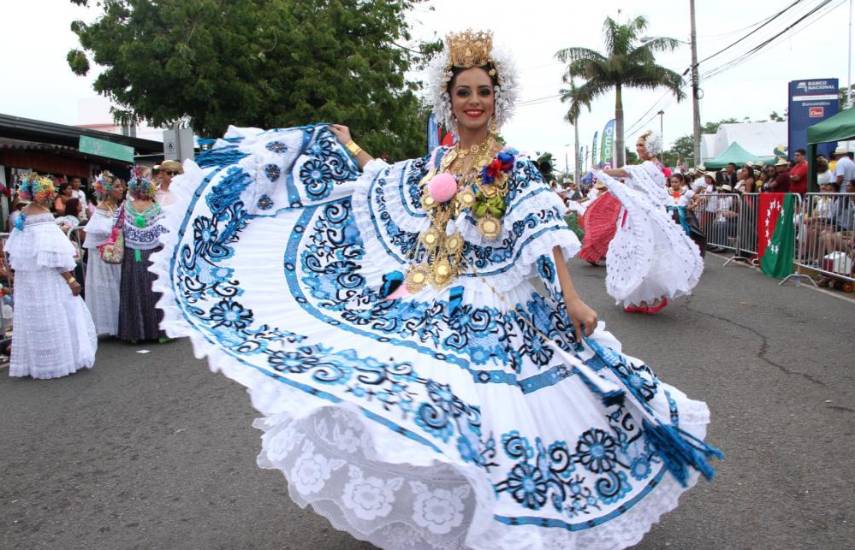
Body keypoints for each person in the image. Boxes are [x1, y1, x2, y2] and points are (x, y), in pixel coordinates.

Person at [148, 30, 720, 549]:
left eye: (483, 92)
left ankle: (511, 510)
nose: (474, 101)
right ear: (450, 100)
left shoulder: (512, 165)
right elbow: (390, 179)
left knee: (503, 408)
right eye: (464, 92)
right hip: (433, 290)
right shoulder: (440, 159)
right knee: (420, 395)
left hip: (495, 299)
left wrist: (571, 296)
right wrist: (350, 149)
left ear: (498, 99)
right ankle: (462, 500)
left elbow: (541, 231)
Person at [598, 130, 704, 313]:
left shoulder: (647, 167)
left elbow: (626, 171)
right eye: (637, 144)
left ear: (650, 147)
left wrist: (602, 171)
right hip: (640, 215)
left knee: (644, 253)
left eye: (641, 145)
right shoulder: (655, 167)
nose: (638, 148)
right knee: (642, 253)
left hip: (641, 217)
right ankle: (639, 299)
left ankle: (653, 297)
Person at [5, 174, 96, 379]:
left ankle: (39, 363)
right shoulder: (44, 217)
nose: (51, 195)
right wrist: (70, 279)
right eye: (49, 192)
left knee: (35, 318)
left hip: (28, 281)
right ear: (41, 194)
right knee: (56, 314)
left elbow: (16, 253)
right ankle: (57, 361)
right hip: (47, 279)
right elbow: (54, 255)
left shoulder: (23, 214)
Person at [117, 167, 167, 343]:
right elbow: (164, 230)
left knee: (134, 288)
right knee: (154, 289)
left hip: (134, 253)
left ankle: (135, 334)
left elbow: (116, 226)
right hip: (153, 253)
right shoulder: (155, 207)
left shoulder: (126, 206)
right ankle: (159, 332)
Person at [83, 172, 125, 337]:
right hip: (103, 257)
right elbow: (100, 231)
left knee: (117, 286)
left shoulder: (115, 206)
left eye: (121, 185)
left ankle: (118, 323)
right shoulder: (102, 208)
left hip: (115, 253)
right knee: (109, 287)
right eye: (117, 186)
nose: (121, 189)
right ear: (107, 190)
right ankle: (110, 324)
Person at [578, 179, 621, 266]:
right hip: (606, 219)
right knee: (605, 236)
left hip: (604, 218)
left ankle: (598, 255)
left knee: (603, 236)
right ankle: (599, 255)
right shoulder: (608, 194)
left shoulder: (607, 194)